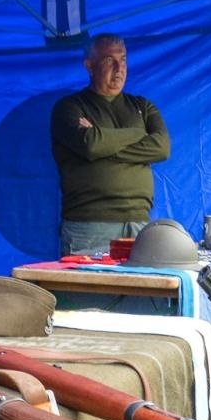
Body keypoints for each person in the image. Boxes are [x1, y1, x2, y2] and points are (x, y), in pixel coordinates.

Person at [49, 34, 170, 256]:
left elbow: (162, 147)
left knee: (140, 290)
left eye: (123, 60)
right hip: (89, 227)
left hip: (139, 224)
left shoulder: (143, 106)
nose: (119, 68)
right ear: (89, 66)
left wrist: (102, 142)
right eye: (108, 60)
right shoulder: (70, 107)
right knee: (88, 290)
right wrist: (138, 133)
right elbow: (91, 145)